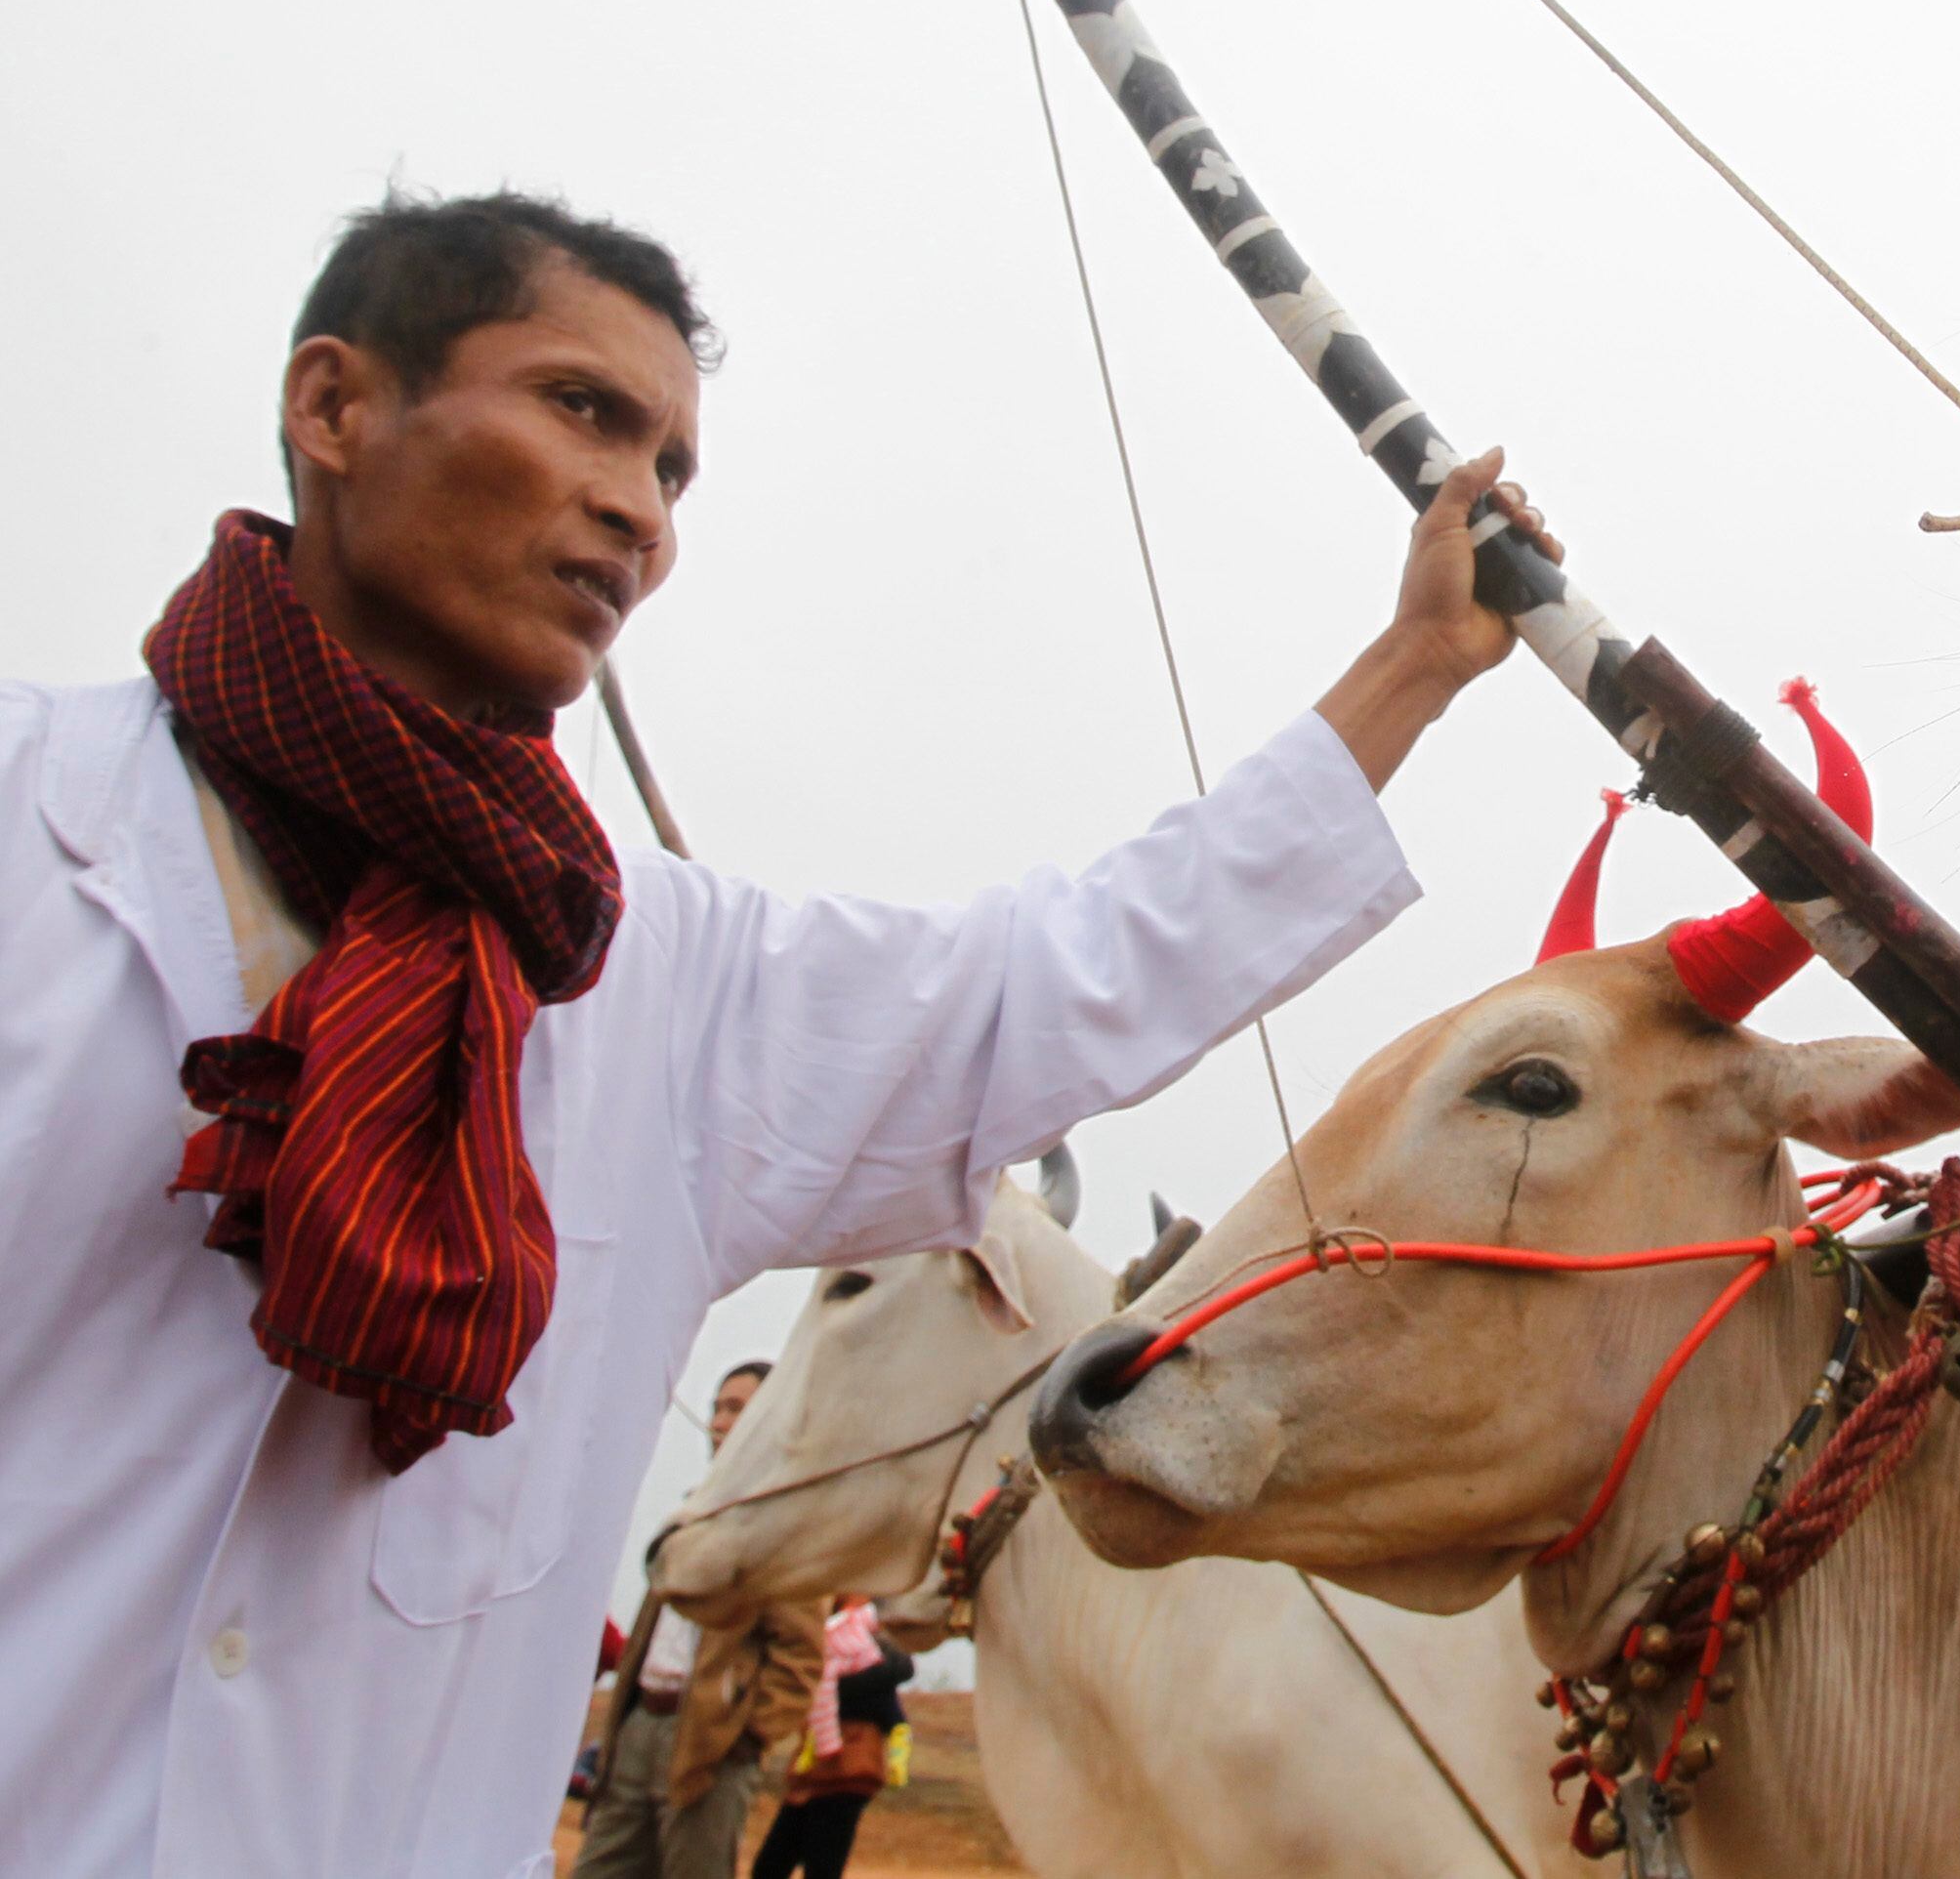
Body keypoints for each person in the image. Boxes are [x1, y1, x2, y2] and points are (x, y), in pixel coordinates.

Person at [0, 191, 1557, 1879]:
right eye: (582, 408)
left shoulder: (661, 986)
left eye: (671, 469)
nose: (636, 509)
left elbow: (1067, 967)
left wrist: (1416, 662)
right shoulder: (33, 821)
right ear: (334, 405)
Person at [577, 1365, 824, 1879]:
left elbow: (800, 1655)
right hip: (638, 1725)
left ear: (771, 1420)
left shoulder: (785, 1527)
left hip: (709, 1742)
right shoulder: (688, 1516)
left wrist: (744, 1737)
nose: (718, 1420)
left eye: (736, 1409)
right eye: (717, 1406)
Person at [747, 1600, 913, 1879]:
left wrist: (830, 1682)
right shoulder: (824, 1631)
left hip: (847, 1767)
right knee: (772, 1866)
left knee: (818, 1868)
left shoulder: (866, 1640)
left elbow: (900, 1669)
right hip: (815, 1766)